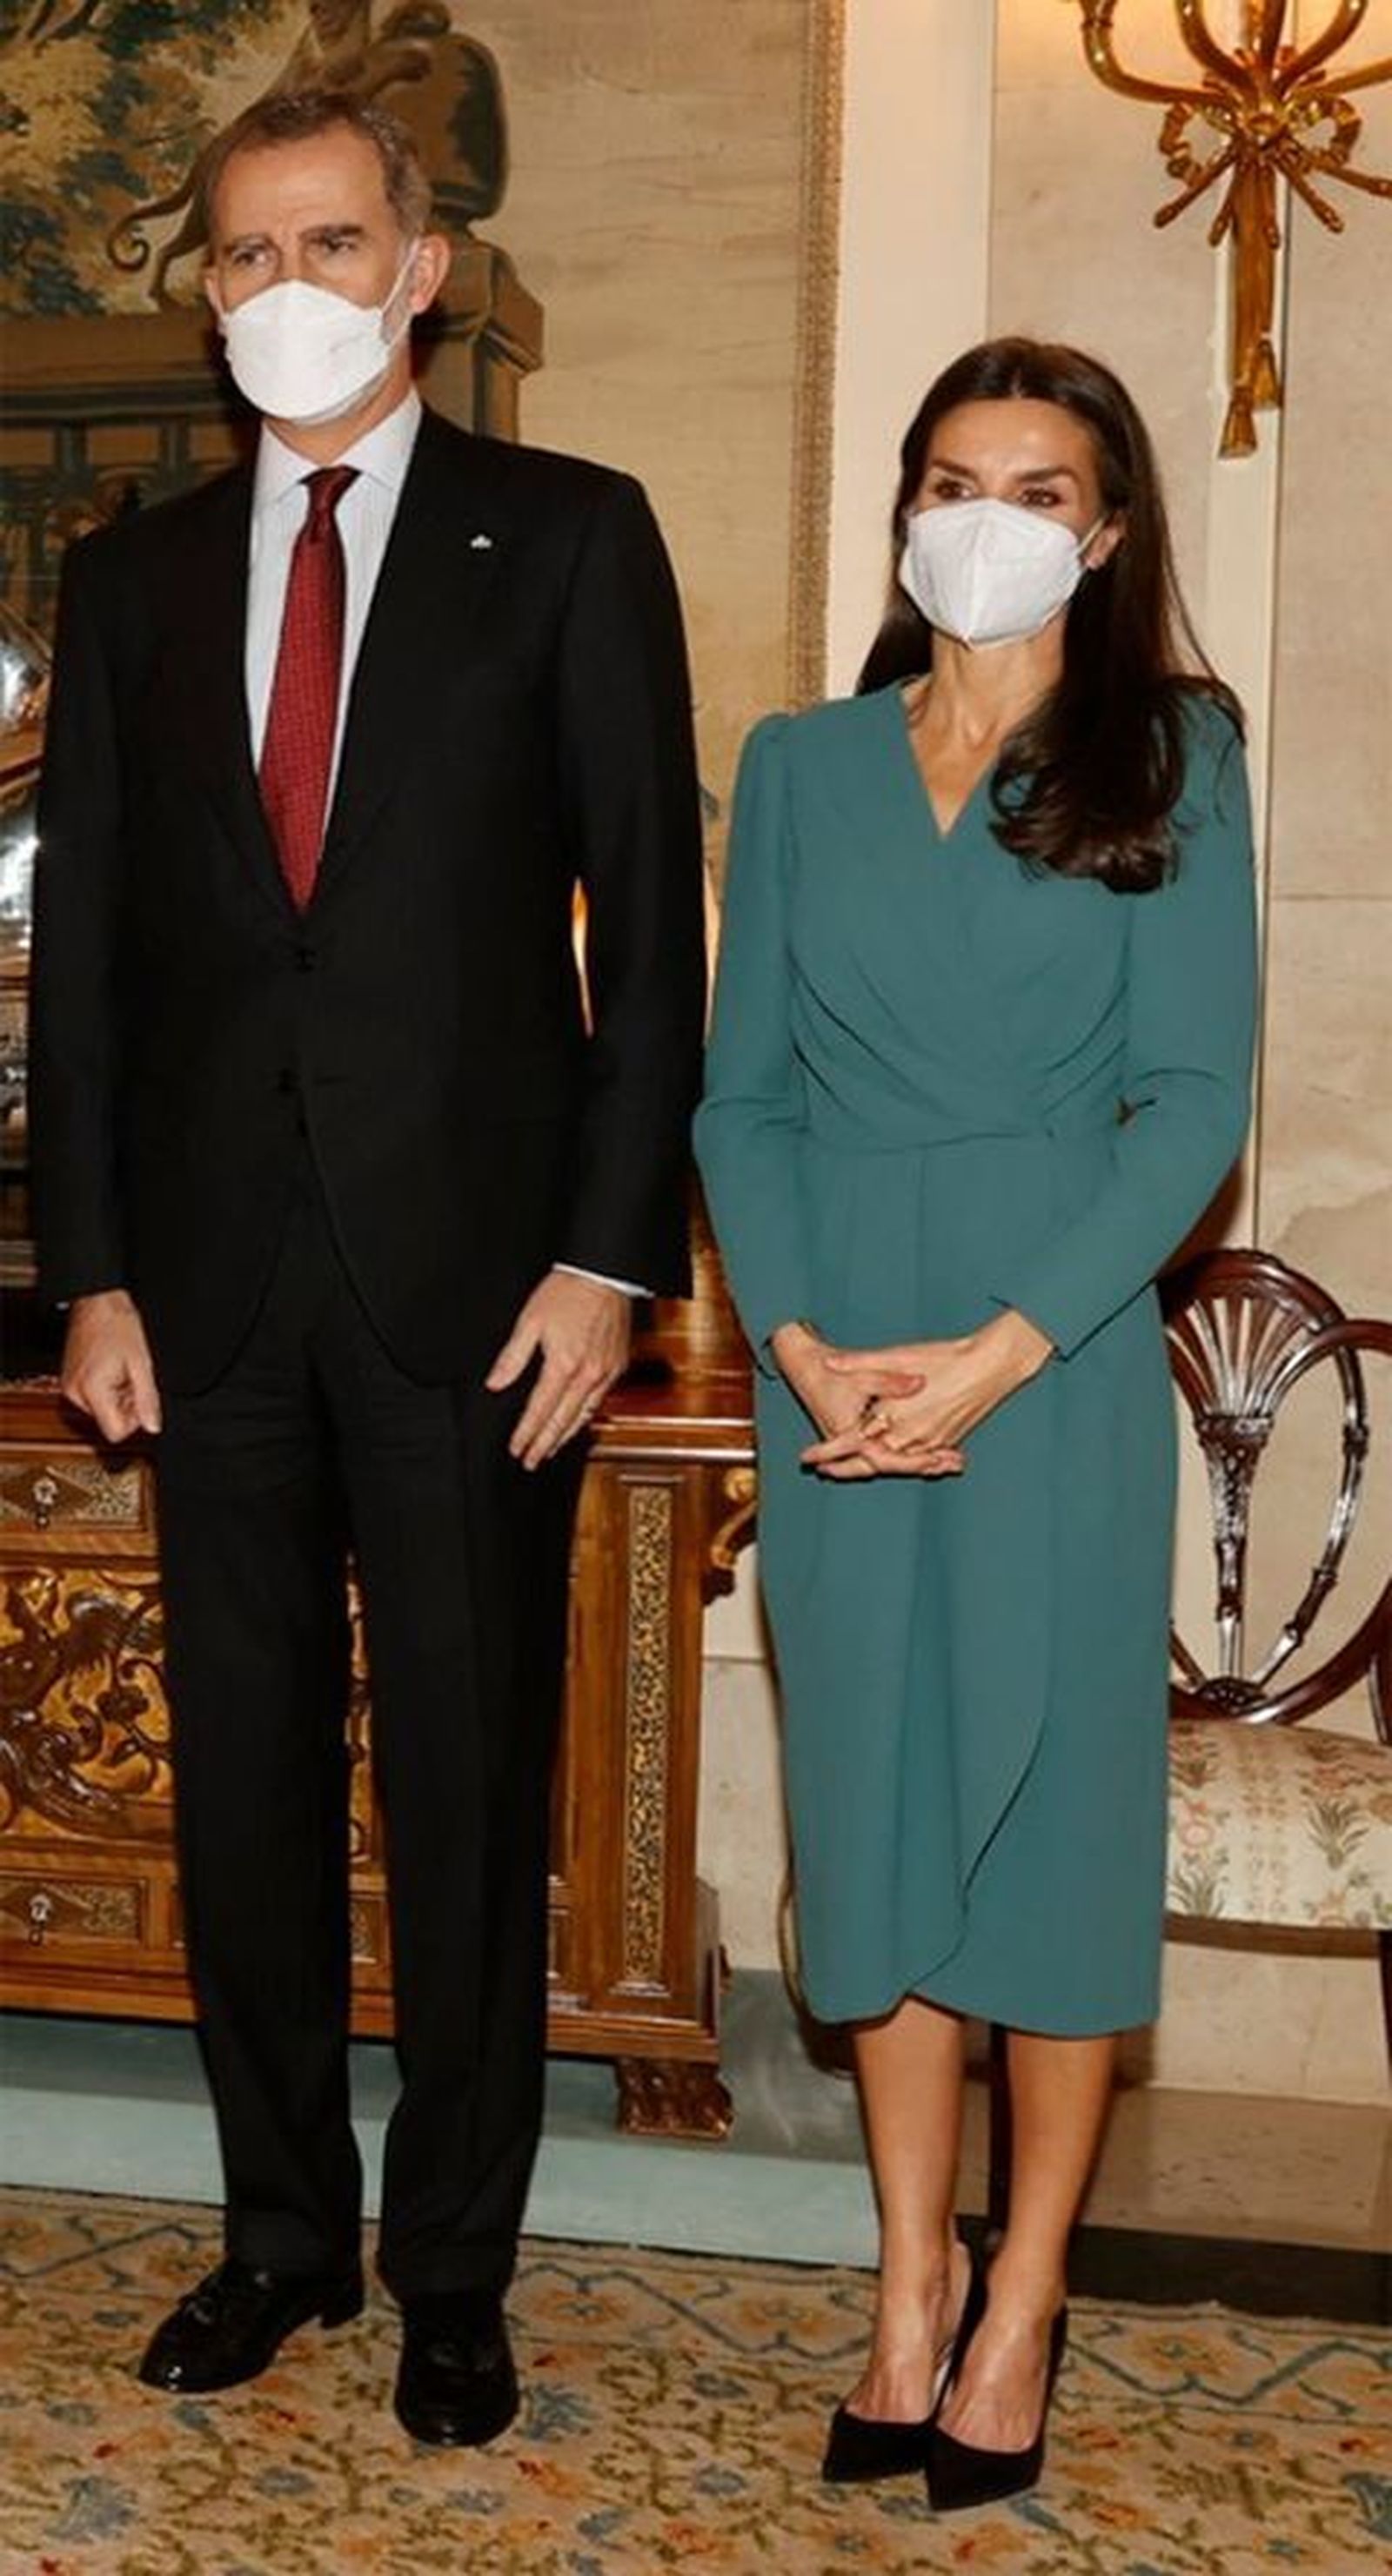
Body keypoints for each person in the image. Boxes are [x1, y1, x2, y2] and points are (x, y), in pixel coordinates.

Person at [30, 89, 704, 2446]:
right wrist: (87, 1272)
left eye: (330, 237)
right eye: (241, 252)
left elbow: (655, 948)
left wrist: (614, 1261)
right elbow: (90, 965)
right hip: (202, 1303)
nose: (285, 280)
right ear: (204, 292)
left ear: (420, 266)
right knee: (241, 1803)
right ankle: (280, 2241)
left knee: (465, 1787)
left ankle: (453, 2272)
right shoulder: (128, 582)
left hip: (474, 1296)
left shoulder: (574, 544)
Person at [695, 338, 1256, 2513]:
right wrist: (809, 1345)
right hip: (838, 1367)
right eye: (953, 474)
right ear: (904, 503)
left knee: (1041, 1832)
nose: (987, 515)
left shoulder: (1173, 755)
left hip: (1055, 1358)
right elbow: (739, 1091)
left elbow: (1189, 1103)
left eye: (1038, 485)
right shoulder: (803, 760)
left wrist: (1003, 1349)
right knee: (886, 1825)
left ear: (1103, 531)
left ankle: (1024, 2299)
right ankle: (903, 2287)